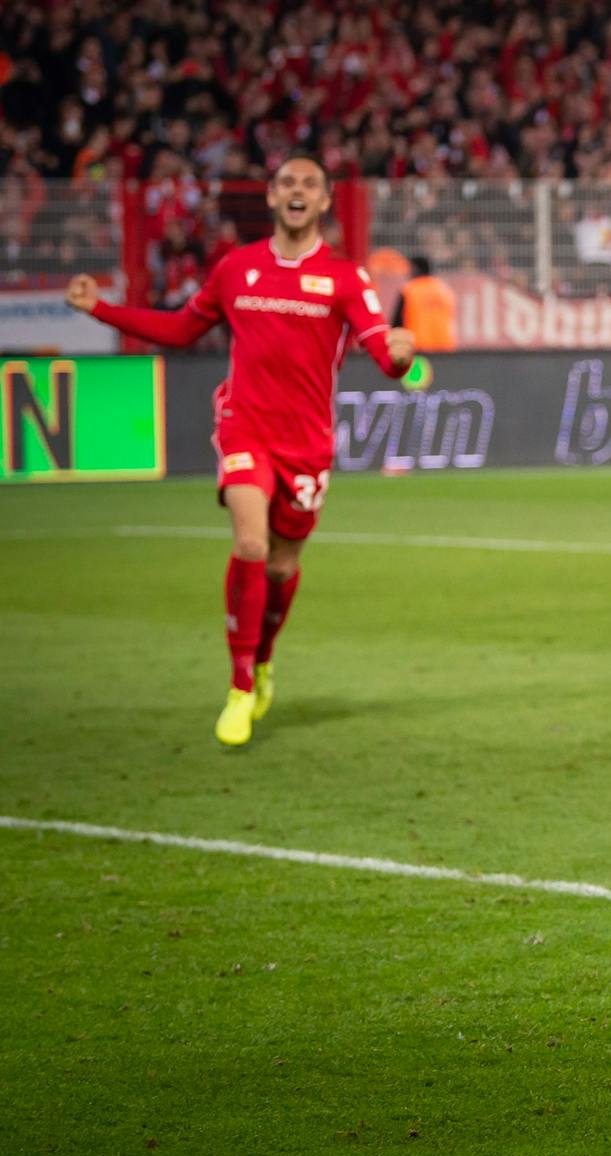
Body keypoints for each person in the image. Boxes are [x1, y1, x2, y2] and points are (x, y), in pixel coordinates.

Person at [67, 153, 414, 746]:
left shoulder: (345, 278)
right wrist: (100, 308)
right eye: (286, 183)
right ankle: (238, 687)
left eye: (310, 184)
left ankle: (263, 660)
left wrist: (401, 354)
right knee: (250, 542)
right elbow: (182, 329)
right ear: (273, 198)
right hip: (245, 424)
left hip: (306, 442)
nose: (297, 191)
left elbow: (382, 351)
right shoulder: (237, 268)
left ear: (326, 202)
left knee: (282, 565)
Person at [392, 255, 457, 352]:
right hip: (445, 349)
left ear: (415, 269)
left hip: (418, 349)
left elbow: (397, 324)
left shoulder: (409, 290)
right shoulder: (444, 291)